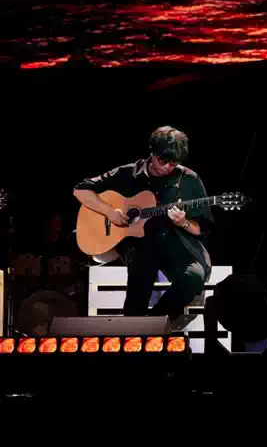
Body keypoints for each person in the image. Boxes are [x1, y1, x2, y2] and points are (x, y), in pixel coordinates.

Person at [73, 126, 214, 322]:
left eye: (174, 163)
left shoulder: (188, 179)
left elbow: (202, 227)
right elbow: (80, 190)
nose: (167, 167)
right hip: (138, 245)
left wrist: (184, 223)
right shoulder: (128, 173)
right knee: (139, 281)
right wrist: (109, 212)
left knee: (194, 277)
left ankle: (155, 322)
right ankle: (135, 328)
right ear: (152, 152)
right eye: (163, 160)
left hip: (174, 241)